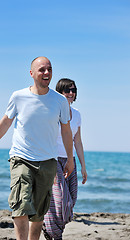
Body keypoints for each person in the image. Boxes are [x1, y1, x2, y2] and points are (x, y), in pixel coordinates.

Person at [0, 57, 74, 240]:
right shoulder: (18, 96)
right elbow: (6, 122)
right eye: (42, 69)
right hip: (21, 157)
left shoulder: (59, 101)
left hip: (48, 161)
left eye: (49, 69)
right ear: (32, 73)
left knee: (39, 213)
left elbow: (66, 130)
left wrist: (70, 159)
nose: (47, 73)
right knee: (20, 205)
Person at [43, 78, 87, 240]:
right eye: (67, 90)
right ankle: (54, 233)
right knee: (62, 202)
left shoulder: (77, 114)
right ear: (59, 93)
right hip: (53, 161)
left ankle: (49, 227)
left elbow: (78, 141)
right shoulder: (53, 111)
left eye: (73, 90)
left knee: (72, 200)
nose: (70, 93)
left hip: (70, 160)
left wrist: (82, 166)